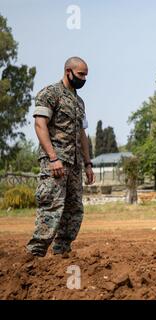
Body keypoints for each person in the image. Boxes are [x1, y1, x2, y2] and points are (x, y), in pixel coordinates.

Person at [26, 57, 95, 257]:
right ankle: (34, 255)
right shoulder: (50, 94)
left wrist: (88, 163)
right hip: (55, 161)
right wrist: (53, 158)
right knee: (52, 207)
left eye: (86, 75)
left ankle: (62, 252)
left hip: (74, 165)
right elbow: (40, 125)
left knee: (74, 210)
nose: (84, 79)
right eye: (81, 74)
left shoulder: (79, 102)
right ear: (68, 72)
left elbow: (82, 134)